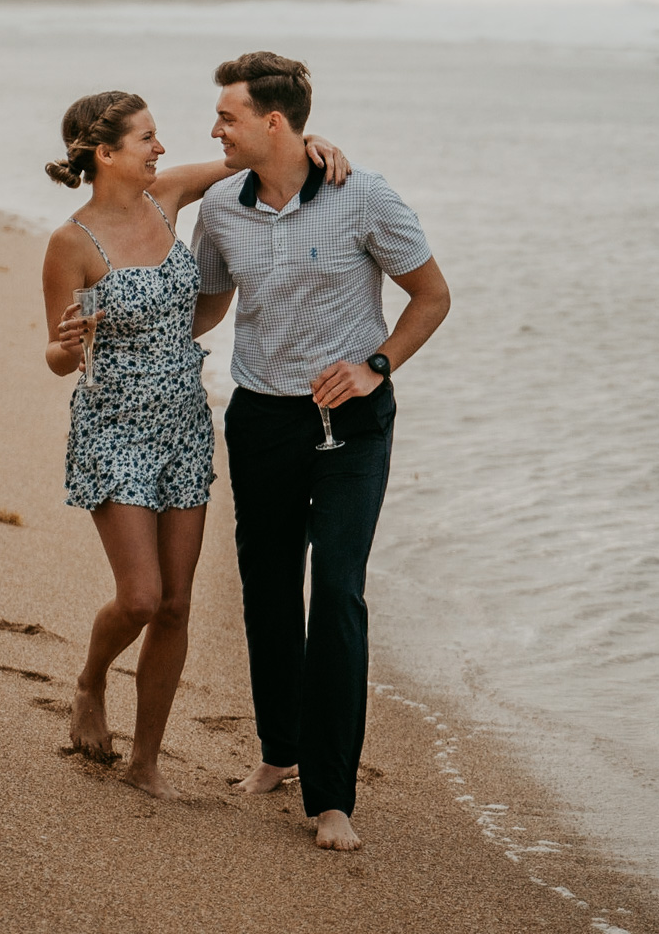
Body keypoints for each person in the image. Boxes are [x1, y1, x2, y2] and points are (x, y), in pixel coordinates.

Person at [42, 89, 349, 799]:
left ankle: (145, 761)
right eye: (147, 139)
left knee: (177, 604)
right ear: (105, 153)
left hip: (183, 421)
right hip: (113, 425)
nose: (160, 149)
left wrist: (316, 144)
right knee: (142, 597)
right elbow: (60, 359)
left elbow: (260, 157)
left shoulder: (167, 196)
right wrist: (63, 346)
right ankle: (91, 681)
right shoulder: (71, 243)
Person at [191, 52, 451, 851]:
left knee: (336, 591)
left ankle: (333, 798)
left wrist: (376, 367)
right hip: (261, 419)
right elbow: (205, 310)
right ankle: (279, 752)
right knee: (268, 588)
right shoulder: (219, 207)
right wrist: (119, 327)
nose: (215, 128)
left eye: (228, 116)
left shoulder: (361, 194)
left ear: (274, 121)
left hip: (351, 428)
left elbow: (432, 296)